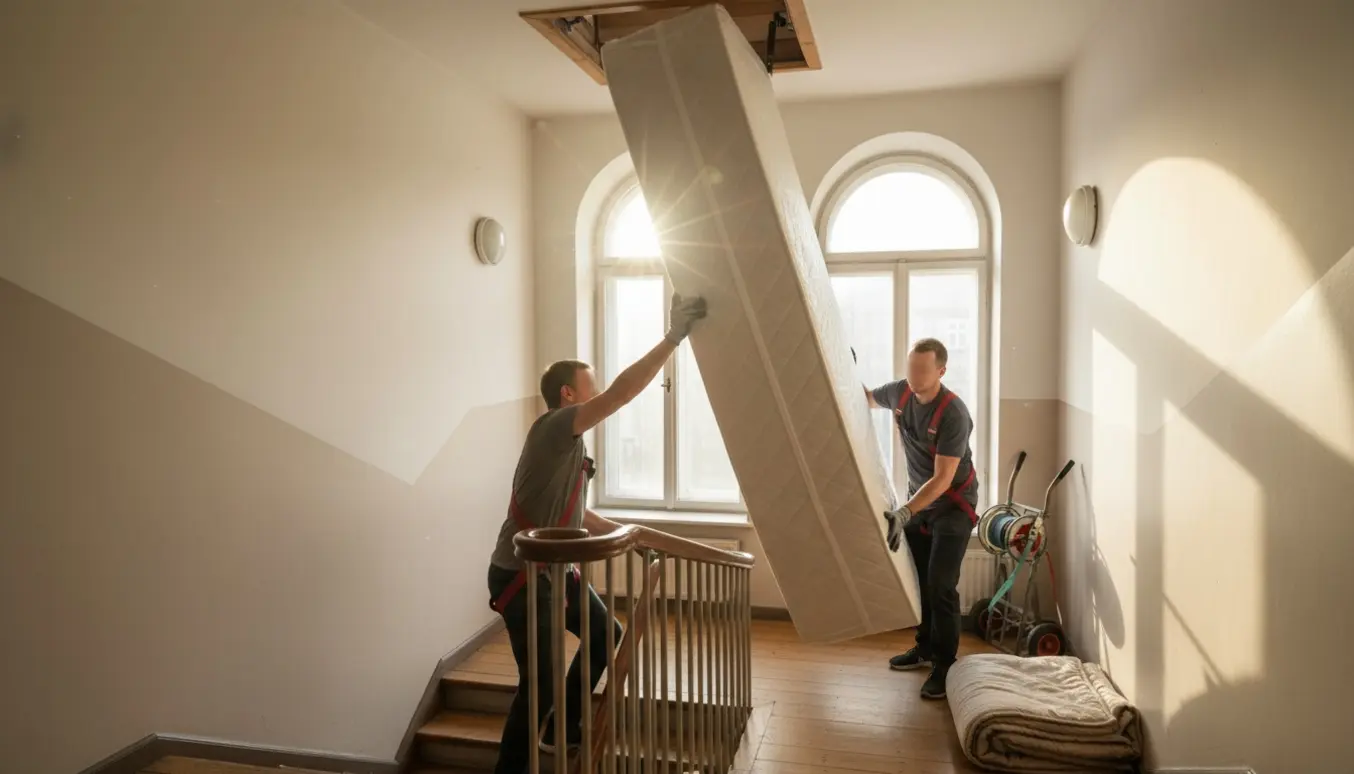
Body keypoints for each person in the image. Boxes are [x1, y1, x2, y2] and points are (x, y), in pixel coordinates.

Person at [486, 293, 708, 773]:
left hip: (554, 569)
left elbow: (579, 517)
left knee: (607, 633)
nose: (598, 391)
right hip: (521, 575)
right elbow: (622, 394)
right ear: (568, 394)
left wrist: (635, 533)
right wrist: (672, 337)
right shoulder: (553, 427)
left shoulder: (572, 449)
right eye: (590, 385)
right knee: (538, 684)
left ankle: (558, 727)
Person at [863, 337, 979, 700]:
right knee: (918, 581)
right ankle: (925, 648)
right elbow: (865, 398)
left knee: (941, 585)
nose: (913, 376)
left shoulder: (954, 414)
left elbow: (944, 479)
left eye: (922, 370)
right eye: (910, 367)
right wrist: (842, 369)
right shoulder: (899, 393)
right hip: (919, 505)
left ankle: (945, 666)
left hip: (953, 508)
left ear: (941, 371)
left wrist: (905, 511)